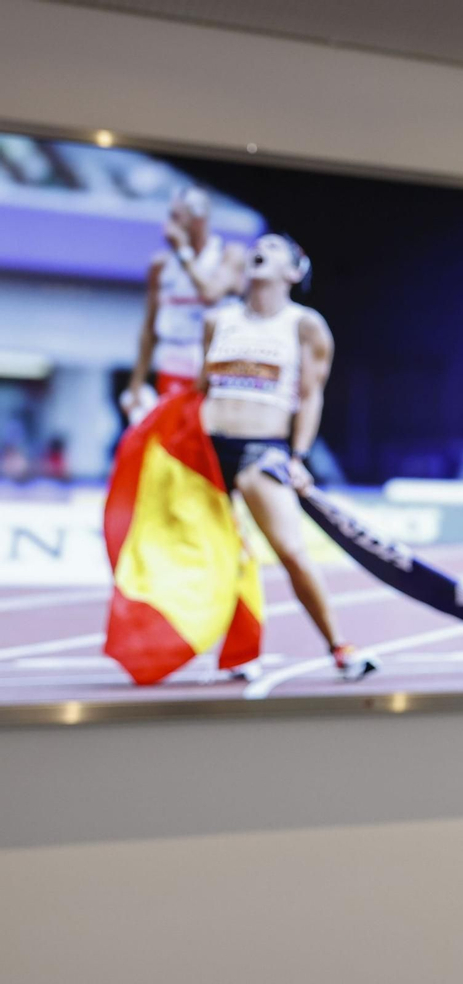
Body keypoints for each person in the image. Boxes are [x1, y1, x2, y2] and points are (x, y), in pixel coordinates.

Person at [198, 233, 378, 683]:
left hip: (263, 450)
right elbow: (200, 390)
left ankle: (341, 648)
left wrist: (298, 456)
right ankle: (236, 653)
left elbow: (311, 395)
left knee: (292, 552)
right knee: (220, 556)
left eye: (276, 247)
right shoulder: (218, 320)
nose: (262, 248)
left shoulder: (305, 325)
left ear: (294, 272)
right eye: (260, 244)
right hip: (206, 450)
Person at [123, 187, 246, 421]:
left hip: (213, 370)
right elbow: (149, 328)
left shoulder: (228, 254)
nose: (169, 225)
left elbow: (211, 293)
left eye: (176, 217)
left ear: (199, 220)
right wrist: (136, 384)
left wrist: (183, 252)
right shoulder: (161, 265)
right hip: (171, 365)